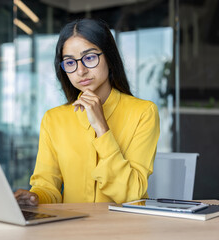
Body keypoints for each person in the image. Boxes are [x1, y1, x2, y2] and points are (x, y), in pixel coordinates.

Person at [14, 18, 160, 205]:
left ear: (109, 57)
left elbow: (132, 194)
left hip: (125, 229)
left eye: (89, 58)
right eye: (69, 62)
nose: (80, 71)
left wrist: (101, 128)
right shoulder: (54, 119)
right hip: (73, 229)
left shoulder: (143, 112)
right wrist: (35, 197)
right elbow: (47, 187)